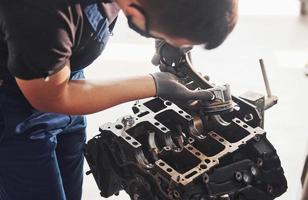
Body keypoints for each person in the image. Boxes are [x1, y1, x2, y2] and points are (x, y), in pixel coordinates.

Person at [0, 0, 238, 199]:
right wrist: (155, 84)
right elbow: (52, 97)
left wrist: (166, 36)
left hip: (61, 74)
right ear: (134, 10)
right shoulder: (42, 12)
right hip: (15, 105)